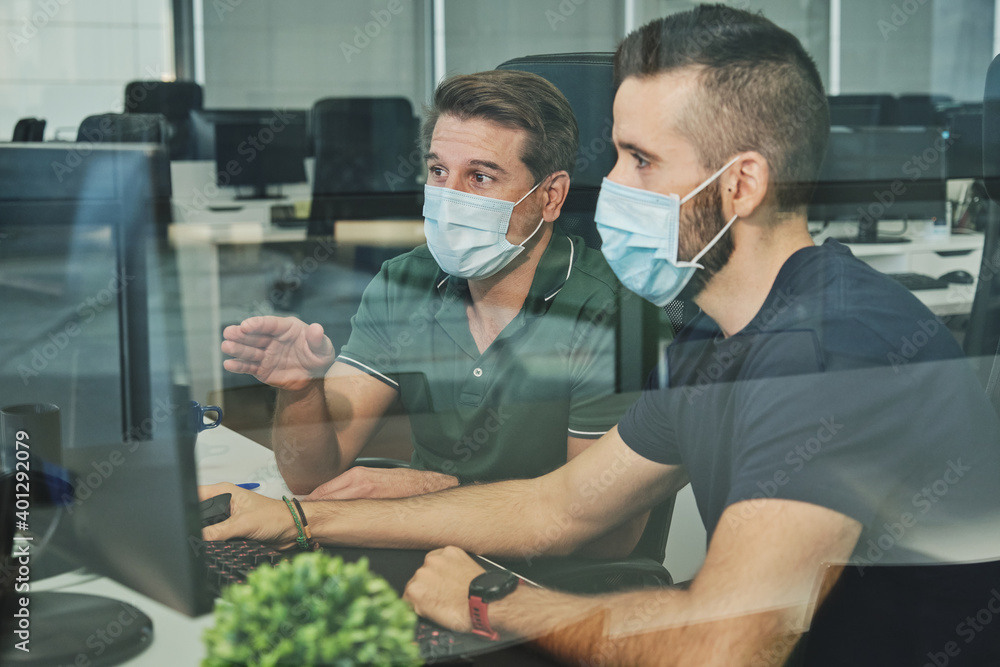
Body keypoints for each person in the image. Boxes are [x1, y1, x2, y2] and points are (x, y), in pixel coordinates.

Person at [204, 6, 1000, 665]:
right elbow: (561, 508)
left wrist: (496, 601)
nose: (610, 185)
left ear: (742, 185)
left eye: (640, 159)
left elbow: (723, 648)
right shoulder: (713, 336)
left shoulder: (828, 348)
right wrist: (304, 520)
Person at [220, 70, 644, 553]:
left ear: (550, 196)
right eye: (439, 171)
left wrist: (436, 490)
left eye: (480, 177)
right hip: (419, 543)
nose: (449, 197)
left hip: (536, 582)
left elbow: (607, 534)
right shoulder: (407, 280)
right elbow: (311, 473)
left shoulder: (610, 312)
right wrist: (301, 393)